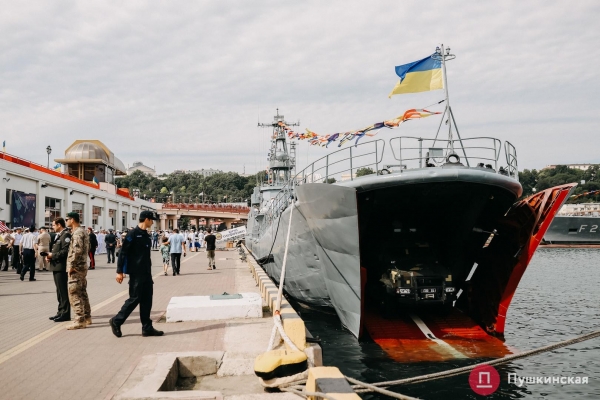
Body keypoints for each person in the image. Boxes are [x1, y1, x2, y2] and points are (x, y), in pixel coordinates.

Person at [109, 211, 164, 338]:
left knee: (147, 300)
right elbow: (123, 253)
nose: (152, 222)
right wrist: (119, 271)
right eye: (151, 220)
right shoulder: (132, 234)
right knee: (134, 299)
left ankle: (147, 328)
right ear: (146, 219)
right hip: (136, 273)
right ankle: (117, 320)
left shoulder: (146, 235)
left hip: (146, 272)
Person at [65, 212, 91, 330]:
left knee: (74, 292)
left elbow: (77, 250)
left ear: (72, 220)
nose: (66, 222)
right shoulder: (83, 231)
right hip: (82, 266)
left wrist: (72, 264)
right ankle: (87, 316)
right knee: (82, 292)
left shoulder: (77, 233)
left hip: (76, 267)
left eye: (67, 219)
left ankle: (79, 320)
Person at [46, 218, 71, 322]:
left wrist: (53, 255)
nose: (52, 227)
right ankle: (60, 311)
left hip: (61, 266)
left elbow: (65, 251)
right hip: (56, 265)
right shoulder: (60, 235)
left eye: (53, 225)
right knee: (59, 291)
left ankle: (65, 313)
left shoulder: (66, 235)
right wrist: (50, 256)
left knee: (63, 290)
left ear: (59, 225)